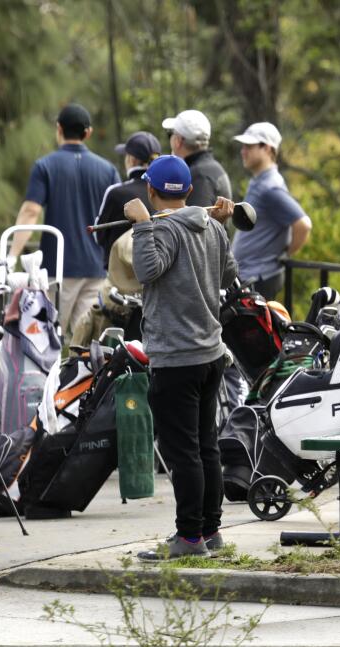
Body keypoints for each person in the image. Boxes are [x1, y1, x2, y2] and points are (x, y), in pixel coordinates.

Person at [126, 155, 237, 560]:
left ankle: (189, 538)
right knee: (205, 445)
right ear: (190, 191)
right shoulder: (212, 228)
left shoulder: (163, 228)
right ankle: (210, 531)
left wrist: (141, 225)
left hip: (176, 358)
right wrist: (221, 229)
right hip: (210, 354)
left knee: (183, 451)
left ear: (150, 191)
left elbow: (147, 270)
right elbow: (228, 275)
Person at [8, 103, 120, 336]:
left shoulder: (45, 166)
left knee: (46, 339)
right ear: (87, 133)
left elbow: (30, 212)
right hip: (96, 269)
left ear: (59, 129)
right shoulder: (107, 170)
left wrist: (11, 257)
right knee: (88, 346)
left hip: (57, 270)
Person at [230, 122, 312, 300]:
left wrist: (285, 253)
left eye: (249, 146)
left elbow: (303, 224)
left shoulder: (270, 187)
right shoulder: (260, 181)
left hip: (258, 277)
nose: (243, 151)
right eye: (243, 146)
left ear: (267, 148)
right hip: (250, 275)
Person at [92, 130, 161, 267]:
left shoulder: (116, 192)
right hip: (156, 270)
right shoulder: (163, 191)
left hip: (121, 275)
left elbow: (99, 235)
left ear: (132, 159)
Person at [162, 109, 232, 208]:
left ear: (178, 141)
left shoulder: (198, 176)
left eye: (170, 134)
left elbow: (196, 222)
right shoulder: (210, 167)